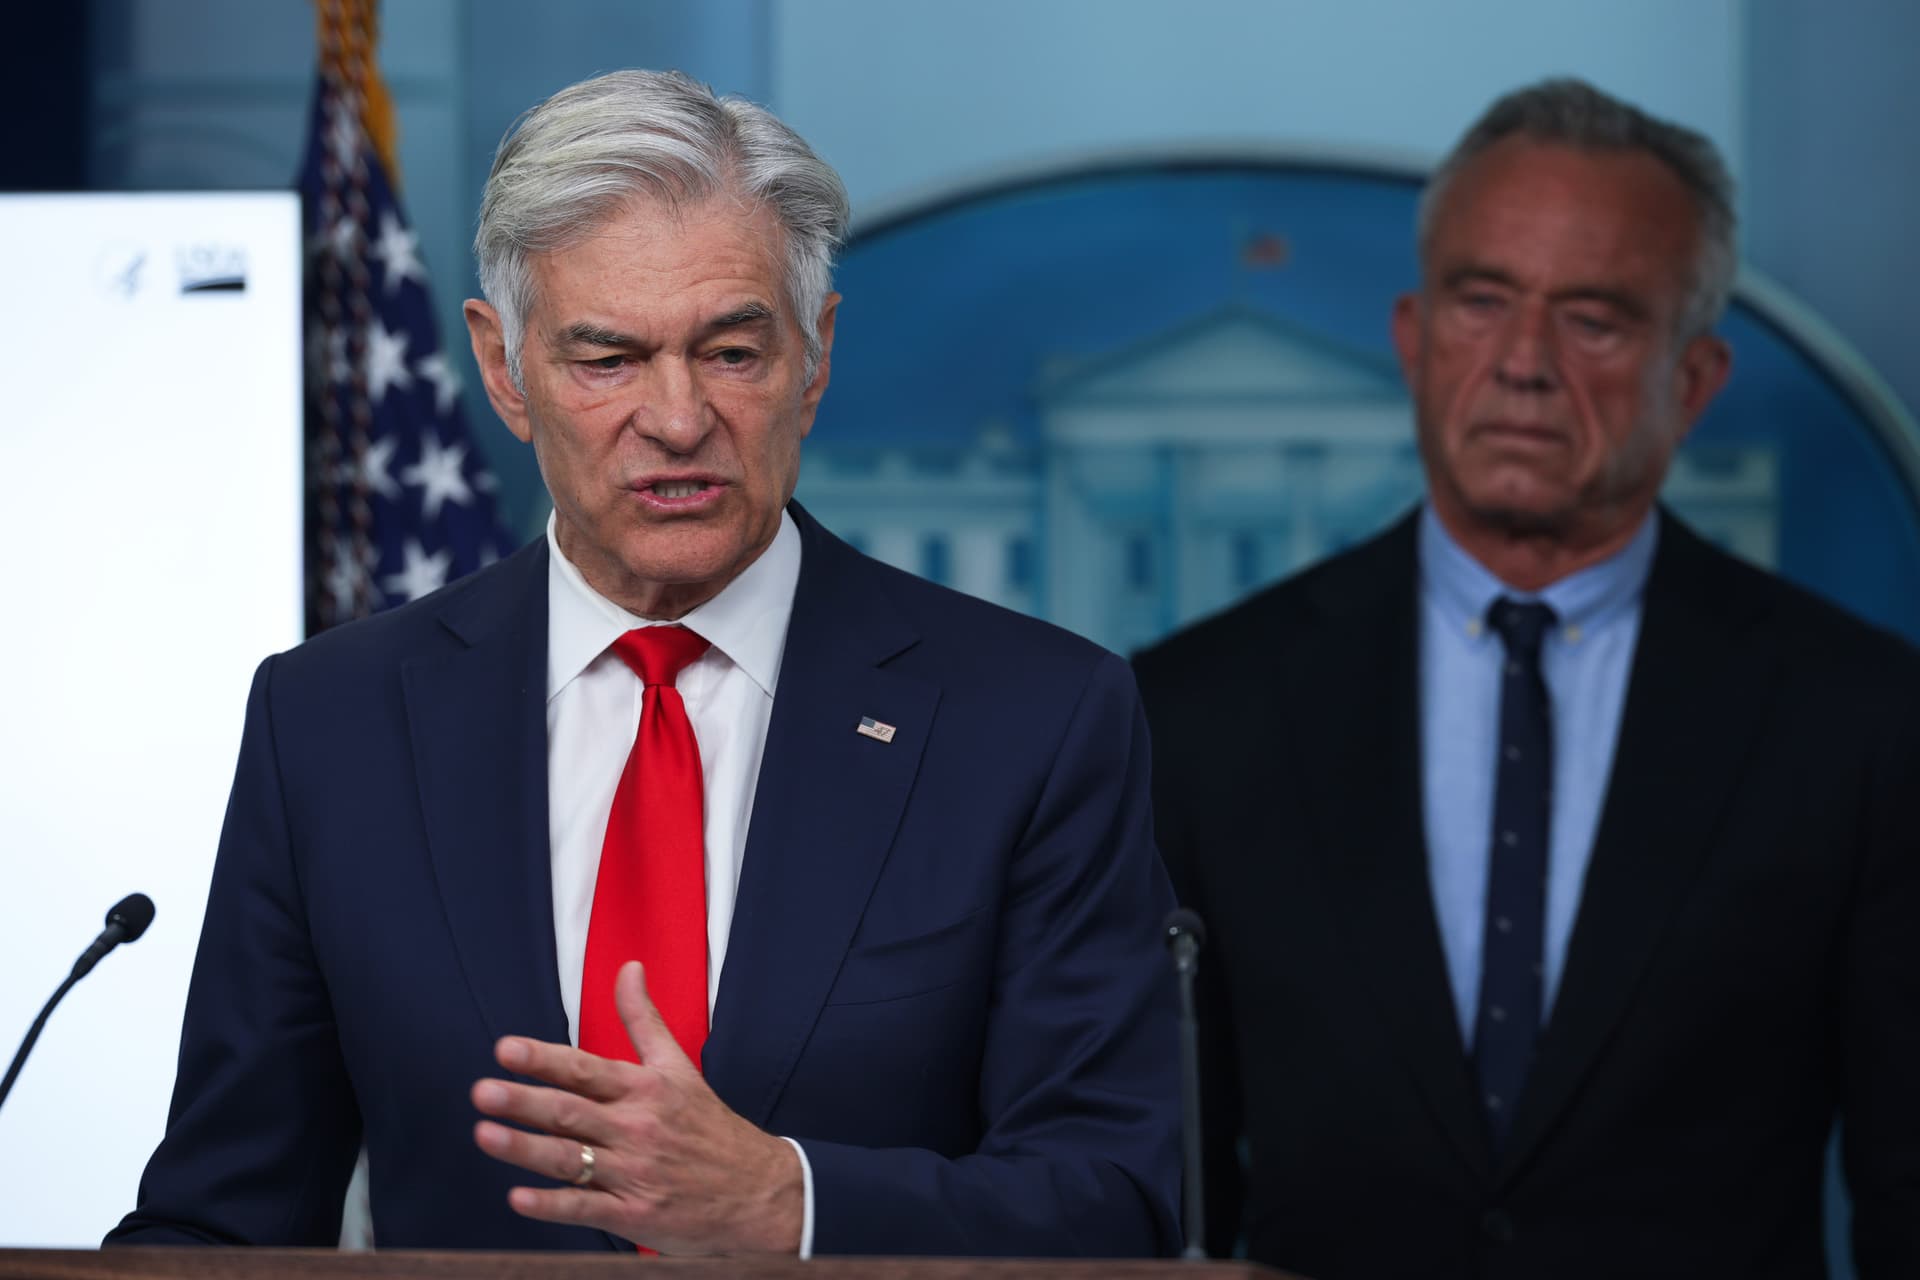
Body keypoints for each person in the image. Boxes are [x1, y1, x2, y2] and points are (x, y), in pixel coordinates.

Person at [110, 69, 1179, 1257]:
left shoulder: (1031, 720)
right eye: (608, 359)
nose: (677, 419)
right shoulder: (334, 722)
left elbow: (1113, 1201)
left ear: (814, 354)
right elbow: (224, 1218)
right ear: (504, 370)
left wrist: (793, 1206)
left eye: (730, 351)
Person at [1134, 78, 1920, 1279]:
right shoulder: (1200, 707)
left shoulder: (1862, 719)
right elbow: (1163, 1193)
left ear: (1696, 377)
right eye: (1483, 299)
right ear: (1413, 335)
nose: (1524, 363)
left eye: (1594, 318)